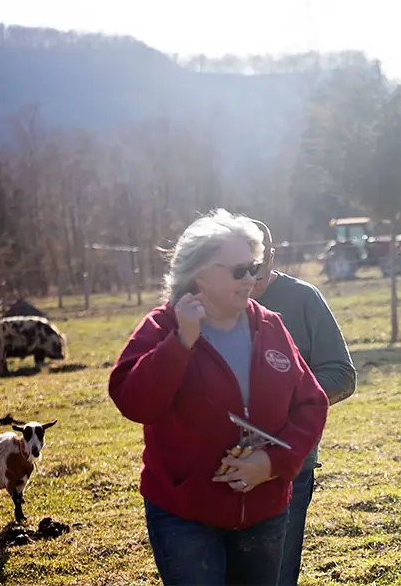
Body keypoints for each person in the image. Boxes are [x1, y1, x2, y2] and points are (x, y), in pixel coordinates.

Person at [109, 210, 328, 586]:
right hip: (184, 517)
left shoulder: (271, 326)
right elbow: (135, 402)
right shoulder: (162, 327)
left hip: (265, 510)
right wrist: (181, 343)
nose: (252, 279)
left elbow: (311, 404)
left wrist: (272, 463)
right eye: (239, 270)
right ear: (200, 273)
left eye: (255, 267)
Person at [251, 220, 356, 586]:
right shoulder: (211, 303)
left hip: (289, 462)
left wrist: (290, 402)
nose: (249, 277)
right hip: (221, 464)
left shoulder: (303, 299)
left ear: (272, 256)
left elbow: (342, 374)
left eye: (258, 265)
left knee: (277, 573)